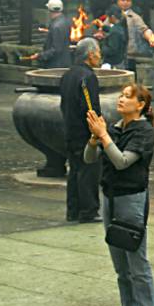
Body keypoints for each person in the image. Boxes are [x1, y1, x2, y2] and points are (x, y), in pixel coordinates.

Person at [84, 83, 154, 306]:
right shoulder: (115, 128)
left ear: (140, 105)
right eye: (121, 95)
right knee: (120, 265)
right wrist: (94, 138)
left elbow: (122, 161)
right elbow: (89, 159)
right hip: (110, 196)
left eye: (128, 97)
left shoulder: (144, 131)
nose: (121, 99)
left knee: (137, 262)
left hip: (131, 198)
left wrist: (103, 136)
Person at [60, 38, 104, 223]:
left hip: (70, 128)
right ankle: (88, 210)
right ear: (90, 54)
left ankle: (73, 210)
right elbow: (89, 107)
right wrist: (97, 131)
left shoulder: (68, 74)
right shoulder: (87, 77)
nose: (100, 56)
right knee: (88, 170)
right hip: (84, 132)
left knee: (74, 170)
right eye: (98, 52)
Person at [23, 0, 71, 67]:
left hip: (56, 65)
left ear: (49, 9)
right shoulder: (65, 22)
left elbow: (56, 50)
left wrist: (40, 56)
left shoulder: (56, 26)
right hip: (65, 62)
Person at [116, 0, 154, 73]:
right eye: (123, 0)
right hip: (114, 55)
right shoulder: (112, 15)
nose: (125, 2)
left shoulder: (135, 17)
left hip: (129, 55)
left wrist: (150, 37)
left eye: (128, 0)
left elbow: (144, 30)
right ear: (118, 1)